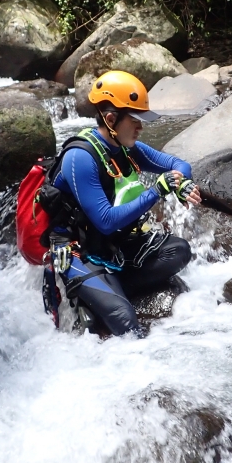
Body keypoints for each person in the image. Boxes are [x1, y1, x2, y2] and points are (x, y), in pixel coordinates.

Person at [46, 70, 201, 337]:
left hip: (113, 244)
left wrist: (182, 184)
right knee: (125, 322)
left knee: (179, 251)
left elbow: (179, 165)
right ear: (111, 120)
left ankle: (110, 287)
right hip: (78, 250)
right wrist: (157, 191)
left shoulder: (125, 147)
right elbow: (106, 221)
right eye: (135, 120)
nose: (141, 127)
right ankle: (99, 294)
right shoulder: (80, 158)